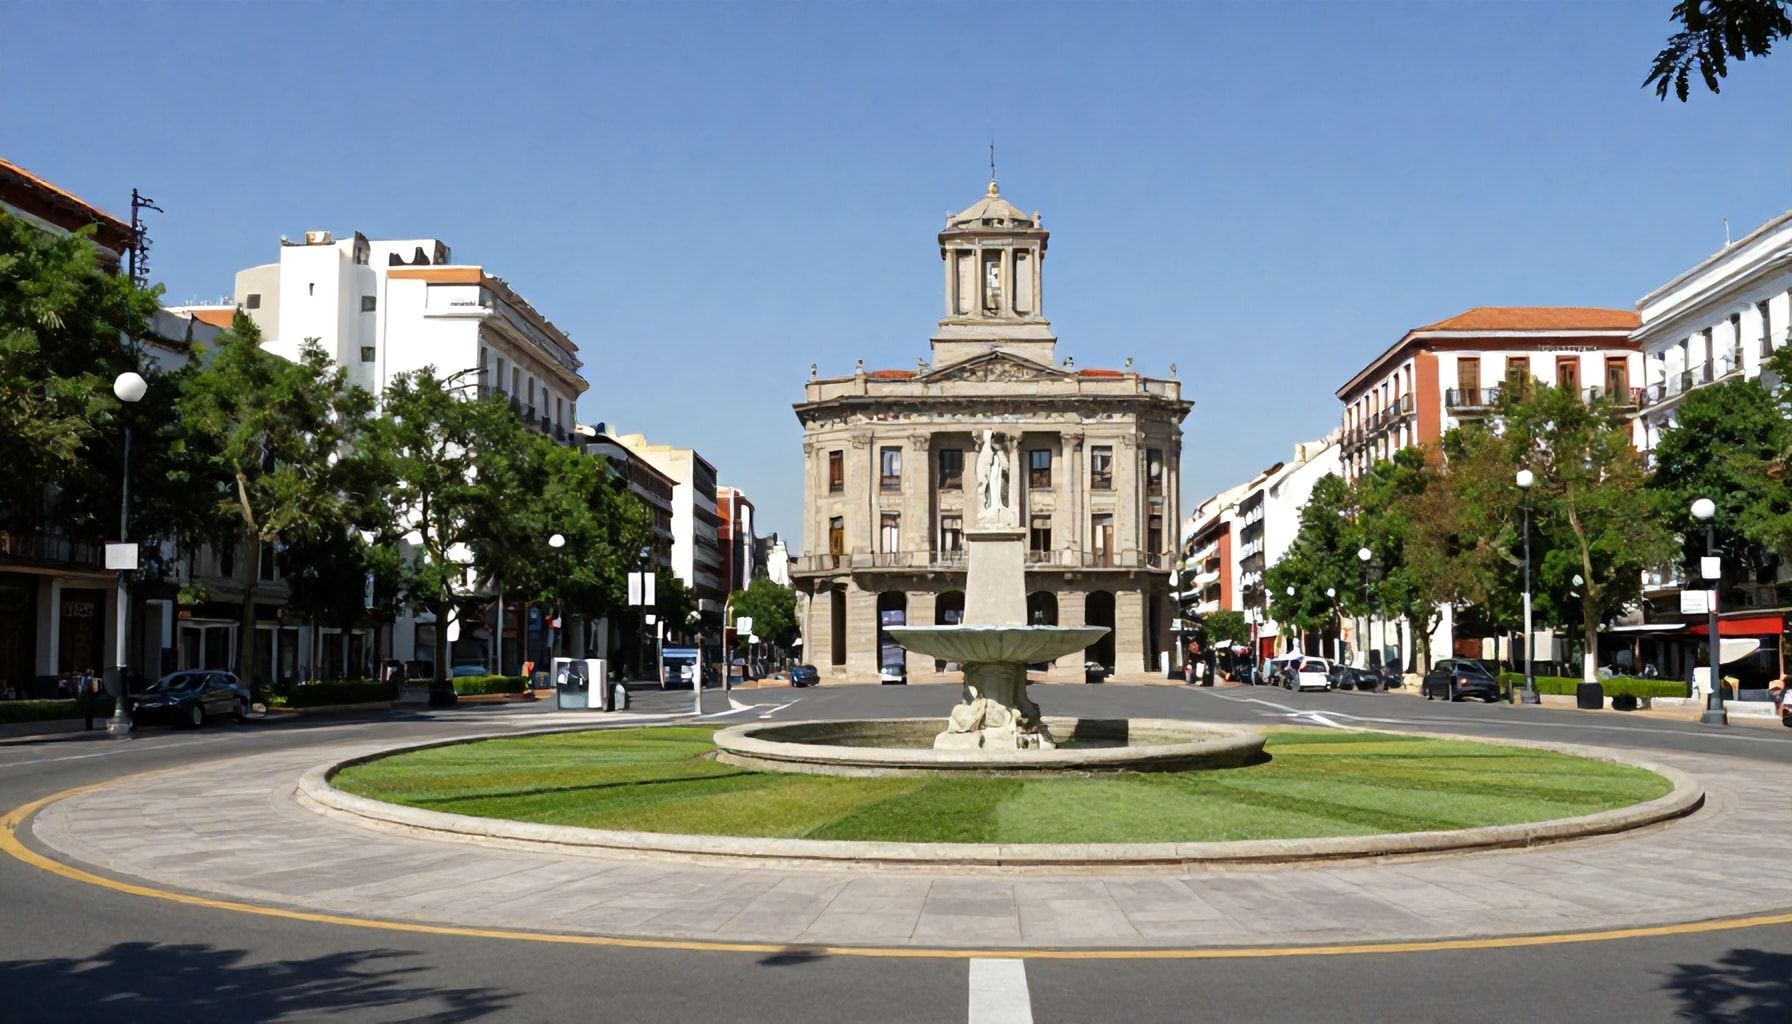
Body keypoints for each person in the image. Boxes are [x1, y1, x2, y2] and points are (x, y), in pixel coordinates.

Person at [79, 667, 98, 731]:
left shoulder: (89, 678)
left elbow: (92, 688)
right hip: (86, 695)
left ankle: (89, 727)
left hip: (88, 695)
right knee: (87, 712)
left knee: (88, 712)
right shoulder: (84, 678)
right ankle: (88, 727)